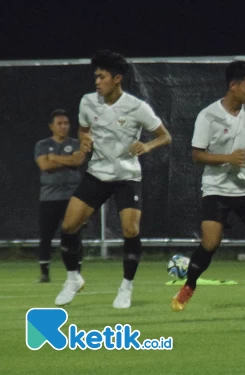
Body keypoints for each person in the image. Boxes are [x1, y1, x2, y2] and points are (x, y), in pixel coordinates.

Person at [54, 50, 172, 308]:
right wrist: (84, 140)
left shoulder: (137, 107)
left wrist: (147, 146)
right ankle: (73, 278)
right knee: (69, 226)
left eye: (102, 77)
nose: (97, 82)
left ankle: (125, 287)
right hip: (97, 174)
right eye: (95, 77)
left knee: (130, 230)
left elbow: (165, 136)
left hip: (127, 176)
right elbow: (83, 128)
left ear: (117, 78)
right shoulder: (87, 101)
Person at [171, 60, 245, 311]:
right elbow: (196, 154)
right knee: (211, 243)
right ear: (233, 86)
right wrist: (228, 158)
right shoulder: (209, 115)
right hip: (217, 188)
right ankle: (188, 287)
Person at [34, 109, 85, 283]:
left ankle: (76, 272)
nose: (64, 126)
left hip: (73, 197)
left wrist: (55, 157)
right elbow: (44, 166)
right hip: (49, 198)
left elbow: (78, 161)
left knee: (74, 234)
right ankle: (44, 272)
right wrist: (67, 160)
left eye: (66, 123)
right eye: (59, 123)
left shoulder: (77, 144)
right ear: (51, 126)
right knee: (46, 235)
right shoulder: (42, 145)